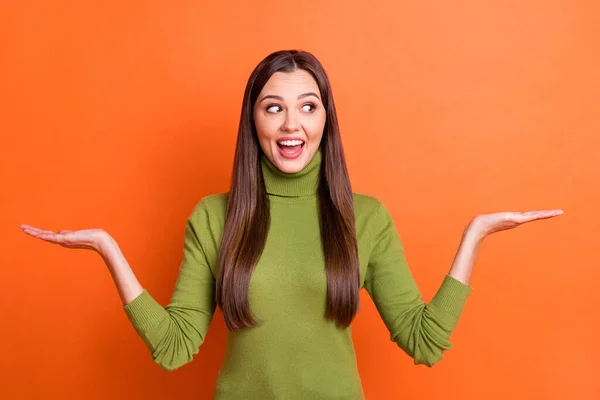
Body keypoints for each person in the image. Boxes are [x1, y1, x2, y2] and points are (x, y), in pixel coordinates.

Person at [19, 50, 563, 399]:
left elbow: (424, 342)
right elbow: (175, 347)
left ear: (326, 119)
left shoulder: (364, 217)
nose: (291, 123)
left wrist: (475, 237)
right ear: (253, 120)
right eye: (272, 107)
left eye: (308, 106)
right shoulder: (214, 217)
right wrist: (109, 250)